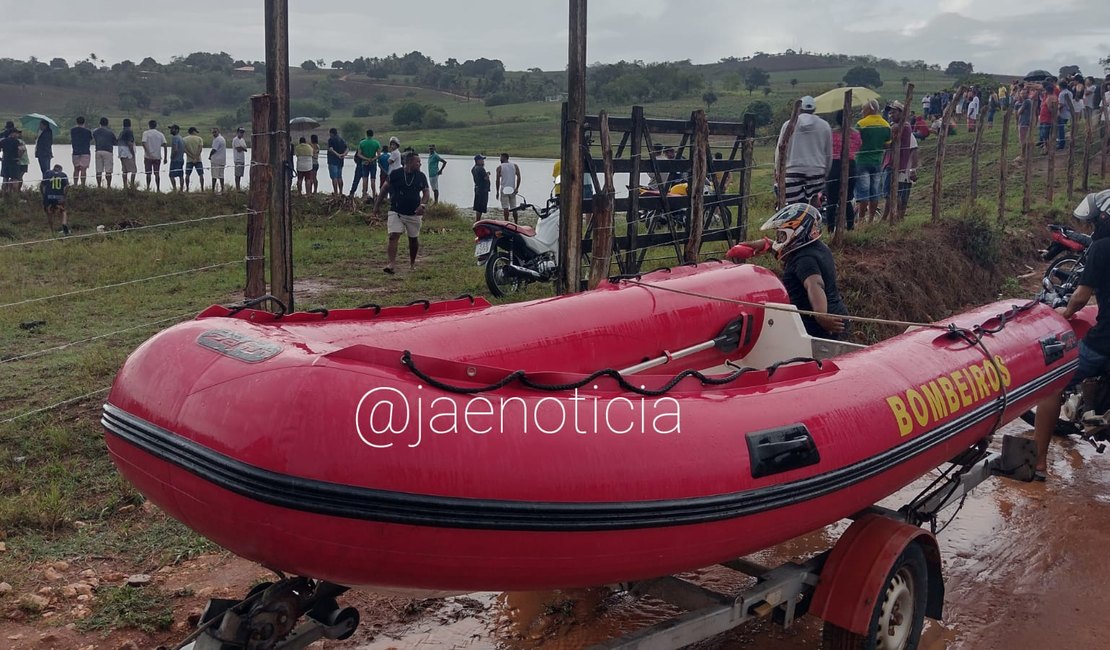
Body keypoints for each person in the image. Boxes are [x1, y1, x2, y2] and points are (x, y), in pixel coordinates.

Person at [1032, 190, 1110, 481]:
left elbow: (1079, 298)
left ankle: (1038, 464)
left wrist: (1062, 313)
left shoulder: (1101, 249)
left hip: (1104, 342)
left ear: (1103, 218)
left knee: (1053, 384)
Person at [727, 203, 848, 339]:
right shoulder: (817, 248)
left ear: (797, 233)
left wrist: (820, 315)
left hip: (818, 326)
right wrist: (767, 245)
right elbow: (792, 259)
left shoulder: (805, 260)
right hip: (834, 315)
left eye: (782, 236)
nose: (779, 240)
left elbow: (815, 285)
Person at [373, 150, 430, 274]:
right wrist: (377, 206)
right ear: (409, 162)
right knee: (393, 236)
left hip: (414, 212)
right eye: (417, 162)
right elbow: (384, 189)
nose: (420, 164)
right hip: (396, 210)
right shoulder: (395, 174)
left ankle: (412, 263)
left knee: (413, 239)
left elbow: (426, 192)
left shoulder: (421, 176)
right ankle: (391, 264)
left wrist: (423, 205)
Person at [774, 95, 832, 207]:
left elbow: (779, 150)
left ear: (799, 109)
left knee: (794, 204)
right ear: (814, 109)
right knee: (814, 199)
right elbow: (828, 153)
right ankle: (812, 221)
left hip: (793, 170)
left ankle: (796, 222)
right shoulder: (824, 126)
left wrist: (778, 170)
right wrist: (826, 172)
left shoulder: (788, 125)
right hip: (816, 170)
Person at [855, 99, 890, 223]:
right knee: (874, 191)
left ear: (869, 109)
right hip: (877, 161)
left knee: (863, 192)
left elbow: (855, 143)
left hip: (862, 161)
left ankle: (860, 220)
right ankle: (870, 220)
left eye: (863, 109)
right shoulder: (886, 124)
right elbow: (887, 145)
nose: (862, 112)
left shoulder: (861, 124)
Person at [826, 108, 860, 233]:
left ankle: (830, 229)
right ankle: (850, 227)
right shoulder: (856, 134)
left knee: (831, 200)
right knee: (847, 199)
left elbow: (827, 149)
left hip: (834, 166)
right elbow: (858, 147)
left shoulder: (832, 133)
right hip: (851, 166)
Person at [349, 129, 380, 200]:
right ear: (373, 134)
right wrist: (372, 159)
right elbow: (378, 155)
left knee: (365, 179)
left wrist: (366, 159)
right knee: (373, 179)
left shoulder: (362, 143)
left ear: (366, 134)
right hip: (373, 163)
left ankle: (364, 195)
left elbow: (359, 154)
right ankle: (374, 195)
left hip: (364, 163)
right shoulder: (376, 143)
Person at [41, 163, 69, 235]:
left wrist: (43, 195)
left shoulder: (48, 173)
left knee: (49, 212)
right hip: (59, 197)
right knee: (63, 211)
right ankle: (64, 223)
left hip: (48, 196)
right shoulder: (63, 175)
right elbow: (67, 187)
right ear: (60, 169)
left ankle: (51, 230)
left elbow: (42, 185)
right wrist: (64, 197)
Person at [141, 120, 167, 191]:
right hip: (157, 157)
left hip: (148, 157)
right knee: (157, 173)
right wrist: (165, 157)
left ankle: (148, 188)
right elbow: (165, 145)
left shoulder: (146, 133)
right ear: (156, 126)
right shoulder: (160, 134)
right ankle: (158, 189)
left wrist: (148, 152)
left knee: (148, 173)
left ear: (149, 125)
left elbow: (143, 143)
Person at [496, 152, 523, 221]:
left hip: (504, 189)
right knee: (514, 207)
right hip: (512, 189)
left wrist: (497, 191)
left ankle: (506, 222)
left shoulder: (500, 167)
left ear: (504, 158)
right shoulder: (515, 166)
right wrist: (517, 188)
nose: (500, 159)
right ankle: (516, 222)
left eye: (501, 157)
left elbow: (497, 180)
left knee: (505, 207)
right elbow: (519, 177)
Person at [92, 117, 116, 188]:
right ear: (107, 124)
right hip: (108, 151)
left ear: (100, 123)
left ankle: (99, 186)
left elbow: (94, 138)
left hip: (98, 151)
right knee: (108, 170)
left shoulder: (95, 132)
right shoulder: (110, 132)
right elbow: (115, 142)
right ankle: (108, 186)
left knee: (98, 170)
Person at [0, 128, 25, 193]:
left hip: (5, 162)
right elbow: (22, 150)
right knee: (15, 179)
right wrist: (19, 157)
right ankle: (15, 196)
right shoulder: (17, 141)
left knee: (5, 179)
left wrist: (0, 158)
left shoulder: (3, 141)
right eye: (16, 133)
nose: (17, 135)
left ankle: (3, 194)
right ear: (12, 133)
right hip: (14, 162)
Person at [70, 116, 93, 186]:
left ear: (76, 122)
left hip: (75, 151)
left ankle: (75, 184)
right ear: (84, 122)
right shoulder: (88, 131)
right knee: (83, 169)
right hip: (85, 151)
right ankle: (83, 185)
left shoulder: (72, 130)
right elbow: (91, 139)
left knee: (76, 169)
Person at [326, 127, 347, 195]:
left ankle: (335, 192)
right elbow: (347, 148)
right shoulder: (342, 140)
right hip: (340, 161)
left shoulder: (331, 140)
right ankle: (341, 192)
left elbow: (331, 149)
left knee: (334, 178)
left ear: (332, 133)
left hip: (332, 161)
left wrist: (337, 155)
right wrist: (344, 154)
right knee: (339, 177)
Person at [118, 118, 137, 189]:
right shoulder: (129, 131)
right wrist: (132, 153)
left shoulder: (122, 132)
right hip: (128, 154)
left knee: (124, 170)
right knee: (134, 170)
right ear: (130, 124)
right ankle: (132, 186)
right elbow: (130, 143)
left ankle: (125, 186)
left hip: (121, 153)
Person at [472, 154, 490, 220]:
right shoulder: (481, 168)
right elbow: (485, 178)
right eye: (482, 160)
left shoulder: (474, 168)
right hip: (482, 189)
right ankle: (478, 220)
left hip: (477, 188)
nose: (483, 161)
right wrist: (487, 174)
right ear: (478, 161)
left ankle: (477, 220)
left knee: (478, 206)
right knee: (480, 207)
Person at [167, 125, 186, 191]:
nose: (171, 130)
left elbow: (175, 149)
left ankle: (174, 189)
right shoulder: (181, 138)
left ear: (177, 130)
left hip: (175, 160)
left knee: (171, 175)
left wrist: (172, 157)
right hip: (181, 159)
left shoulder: (175, 138)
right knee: (181, 175)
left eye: (172, 129)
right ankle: (181, 190)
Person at [209, 128, 227, 192]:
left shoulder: (217, 139)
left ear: (218, 132)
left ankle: (213, 190)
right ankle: (222, 189)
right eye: (213, 132)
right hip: (222, 160)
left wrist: (210, 156)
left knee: (214, 176)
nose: (214, 133)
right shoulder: (222, 138)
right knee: (221, 176)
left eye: (215, 132)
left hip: (216, 160)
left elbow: (214, 149)